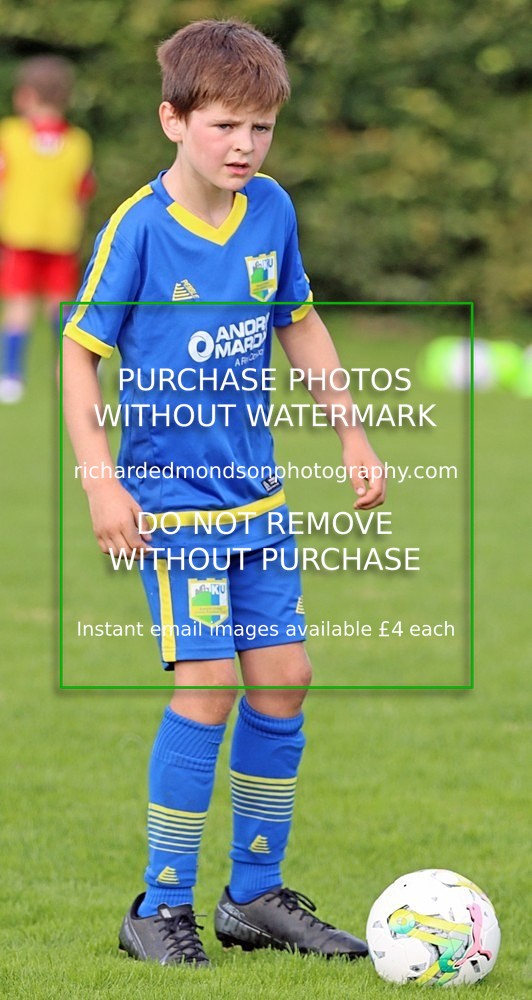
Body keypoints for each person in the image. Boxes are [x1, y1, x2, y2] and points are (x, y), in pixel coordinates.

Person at [63, 19, 386, 967]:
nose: (244, 146)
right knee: (206, 688)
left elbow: (301, 322)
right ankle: (156, 909)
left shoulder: (273, 210)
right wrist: (101, 483)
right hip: (172, 507)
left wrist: (352, 429)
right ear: (174, 120)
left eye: (261, 129)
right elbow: (80, 359)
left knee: (284, 678)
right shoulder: (138, 228)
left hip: (259, 503)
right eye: (225, 126)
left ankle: (254, 898)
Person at [0, 54, 94, 403]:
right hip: (61, 238)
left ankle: (11, 376)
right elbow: (81, 192)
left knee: (18, 307)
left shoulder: (9, 135)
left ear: (25, 95)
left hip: (18, 235)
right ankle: (67, 369)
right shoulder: (78, 142)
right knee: (61, 308)